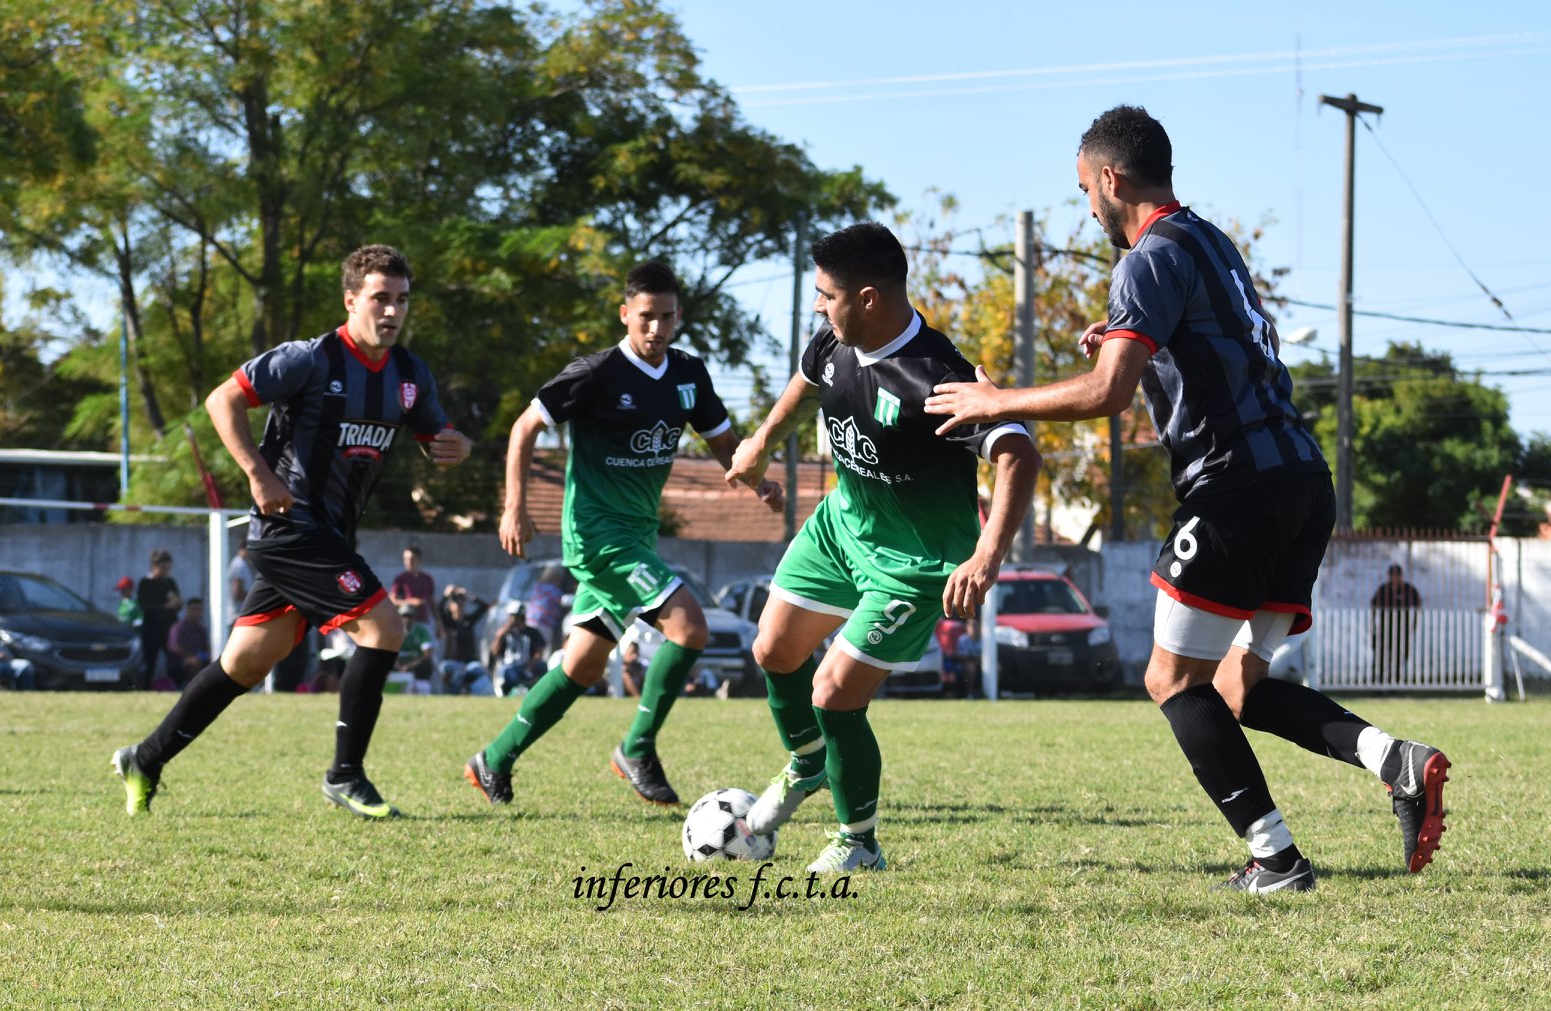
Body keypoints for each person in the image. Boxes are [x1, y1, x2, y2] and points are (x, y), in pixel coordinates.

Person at [924, 105, 1450, 891]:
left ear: (1111, 179)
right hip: (1302, 483)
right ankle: (1396, 761)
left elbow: (1108, 393)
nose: (1088, 209)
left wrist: (997, 402)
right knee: (1237, 685)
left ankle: (1276, 860)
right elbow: (1228, 344)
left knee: (1171, 680)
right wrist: (1137, 339)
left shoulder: (1145, 259)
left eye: (1085, 191)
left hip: (1237, 490)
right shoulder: (1210, 242)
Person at [111, 243, 472, 818]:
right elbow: (222, 399)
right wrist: (258, 475)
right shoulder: (310, 359)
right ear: (351, 300)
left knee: (247, 664)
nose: (392, 311)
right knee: (385, 628)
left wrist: (456, 447)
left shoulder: (410, 374)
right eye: (380, 298)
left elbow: (438, 438)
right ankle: (345, 775)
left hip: (332, 537)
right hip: (290, 529)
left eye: (402, 300)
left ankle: (145, 759)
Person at [723, 222, 1041, 874]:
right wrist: (759, 444)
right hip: (841, 527)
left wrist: (986, 556)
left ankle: (858, 842)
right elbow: (805, 383)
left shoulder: (937, 377)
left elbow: (1018, 453)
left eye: (826, 295)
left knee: (833, 690)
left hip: (914, 562)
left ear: (867, 297)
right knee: (772, 649)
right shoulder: (835, 340)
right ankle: (807, 763)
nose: (818, 306)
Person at [464, 261, 784, 809]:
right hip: (597, 538)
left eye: (667, 317)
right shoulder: (595, 374)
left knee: (582, 665)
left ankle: (494, 758)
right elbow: (524, 427)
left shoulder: (688, 374)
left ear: (678, 317)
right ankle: (636, 748)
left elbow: (722, 443)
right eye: (645, 317)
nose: (656, 329)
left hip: (638, 536)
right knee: (690, 628)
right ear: (624, 314)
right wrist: (514, 507)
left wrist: (759, 483)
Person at [135, 549, 182, 690]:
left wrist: (177, 603)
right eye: (163, 568)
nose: (165, 572)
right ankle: (145, 689)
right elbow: (144, 605)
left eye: (168, 569)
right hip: (152, 629)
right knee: (150, 661)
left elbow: (177, 603)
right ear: (154, 566)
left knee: (173, 659)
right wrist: (165, 607)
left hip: (169, 629)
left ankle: (175, 687)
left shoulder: (170, 582)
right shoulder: (145, 583)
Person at [1370, 564, 1422, 684]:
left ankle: (1396, 682)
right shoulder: (1383, 589)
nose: (1394, 578)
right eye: (1392, 575)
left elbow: (1418, 606)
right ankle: (1378, 683)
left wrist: (1414, 623)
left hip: (1402, 628)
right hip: (1385, 628)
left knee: (1400, 656)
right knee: (1381, 656)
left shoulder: (1408, 590)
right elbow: (1373, 605)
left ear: (1401, 576)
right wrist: (1373, 625)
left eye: (1397, 575)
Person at [436, 585, 491, 695]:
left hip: (470, 663)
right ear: (450, 607)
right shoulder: (449, 622)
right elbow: (439, 610)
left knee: (480, 671)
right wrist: (446, 596)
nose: (459, 606)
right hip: (453, 662)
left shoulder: (469, 621)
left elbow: (485, 607)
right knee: (446, 667)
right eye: (457, 603)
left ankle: (467, 690)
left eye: (462, 603)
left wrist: (469, 596)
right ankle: (456, 692)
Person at [488, 601, 547, 697]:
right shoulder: (504, 633)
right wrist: (499, 637)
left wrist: (531, 664)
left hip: (527, 666)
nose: (513, 620)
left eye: (516, 617)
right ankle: (518, 689)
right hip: (511, 667)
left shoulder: (532, 632)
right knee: (506, 671)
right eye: (511, 616)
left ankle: (533, 688)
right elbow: (494, 652)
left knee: (542, 666)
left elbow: (539, 651)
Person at [165, 597, 212, 688]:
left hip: (198, 659)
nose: (197, 613)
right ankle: (192, 689)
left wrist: (204, 656)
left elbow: (206, 648)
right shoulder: (177, 627)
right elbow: (175, 648)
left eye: (199, 610)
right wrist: (191, 658)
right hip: (179, 661)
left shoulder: (201, 630)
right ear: (187, 611)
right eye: (194, 609)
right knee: (193, 664)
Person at [395, 602, 437, 695]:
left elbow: (427, 653)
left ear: (415, 618)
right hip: (396, 665)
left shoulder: (421, 632)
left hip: (415, 666)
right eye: (404, 616)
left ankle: (422, 687)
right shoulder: (394, 631)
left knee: (427, 664)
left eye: (410, 616)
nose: (407, 619)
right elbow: (387, 651)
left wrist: (409, 666)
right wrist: (397, 666)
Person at [390, 546, 436, 627]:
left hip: (424, 622)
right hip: (407, 624)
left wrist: (439, 624)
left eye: (411, 559)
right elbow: (392, 601)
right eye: (406, 559)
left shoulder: (427, 579)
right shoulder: (400, 579)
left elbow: (432, 602)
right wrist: (409, 602)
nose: (408, 562)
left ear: (419, 560)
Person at [226, 546, 253, 628]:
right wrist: (255, 597)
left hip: (240, 616)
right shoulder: (239, 564)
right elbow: (237, 592)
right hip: (236, 616)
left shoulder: (242, 563)